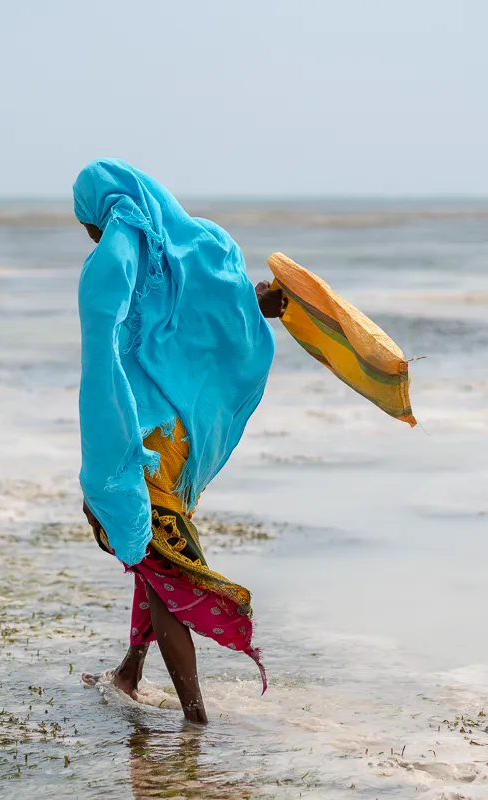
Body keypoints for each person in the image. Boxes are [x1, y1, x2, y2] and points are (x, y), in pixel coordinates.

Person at [74, 159, 283, 724]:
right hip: (180, 438)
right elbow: (222, 307)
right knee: (149, 557)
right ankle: (129, 673)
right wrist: (257, 305)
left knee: (162, 568)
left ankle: (196, 717)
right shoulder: (199, 247)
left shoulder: (115, 256)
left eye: (90, 223)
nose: (91, 234)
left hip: (141, 446)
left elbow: (102, 326)